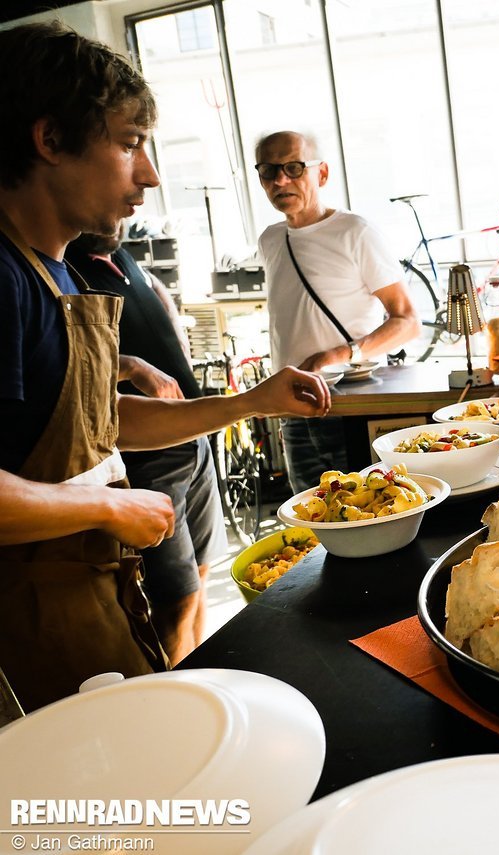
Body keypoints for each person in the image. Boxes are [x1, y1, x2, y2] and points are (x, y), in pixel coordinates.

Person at [0, 22, 331, 712]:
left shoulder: (54, 270)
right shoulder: (4, 277)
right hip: (38, 619)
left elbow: (98, 426)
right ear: (50, 140)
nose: (150, 175)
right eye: (129, 145)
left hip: (96, 593)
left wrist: (250, 402)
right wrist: (109, 504)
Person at [65, 228, 227, 665]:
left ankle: (203, 679)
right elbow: (72, 362)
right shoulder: (65, 264)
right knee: (175, 597)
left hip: (193, 440)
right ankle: (179, 705)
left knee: (202, 575)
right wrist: (131, 364)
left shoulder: (124, 257)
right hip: (148, 452)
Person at [254, 130, 419, 493]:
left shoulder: (354, 231)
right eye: (268, 170)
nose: (281, 179)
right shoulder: (269, 239)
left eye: (294, 167)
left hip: (349, 402)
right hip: (295, 407)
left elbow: (407, 321)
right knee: (310, 519)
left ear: (322, 174)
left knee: (369, 511)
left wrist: (335, 355)